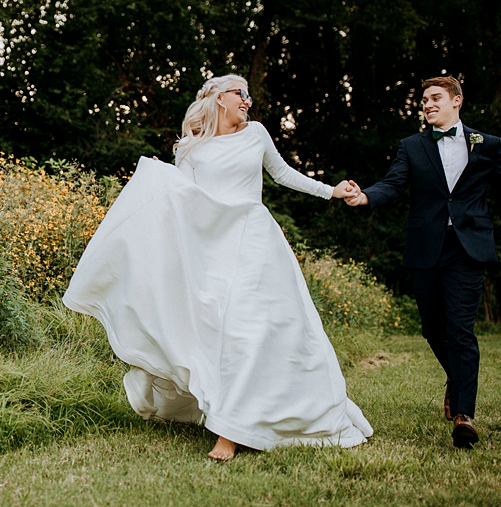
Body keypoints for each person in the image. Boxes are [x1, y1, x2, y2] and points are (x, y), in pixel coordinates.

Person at [63, 74, 372, 460]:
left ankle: (233, 433)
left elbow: (283, 175)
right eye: (241, 94)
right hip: (213, 248)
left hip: (256, 241)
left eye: (249, 96)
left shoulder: (256, 134)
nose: (248, 101)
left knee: (261, 329)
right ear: (218, 98)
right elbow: (187, 203)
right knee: (220, 333)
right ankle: (229, 417)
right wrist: (162, 180)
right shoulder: (191, 149)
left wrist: (331, 190)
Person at [345, 75, 501, 448]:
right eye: (424, 100)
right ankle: (457, 378)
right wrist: (365, 196)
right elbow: (394, 184)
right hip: (425, 245)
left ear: (456, 101)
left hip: (469, 247)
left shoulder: (487, 144)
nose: (427, 104)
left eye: (435, 98)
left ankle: (464, 415)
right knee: (433, 329)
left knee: (461, 330)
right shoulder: (412, 146)